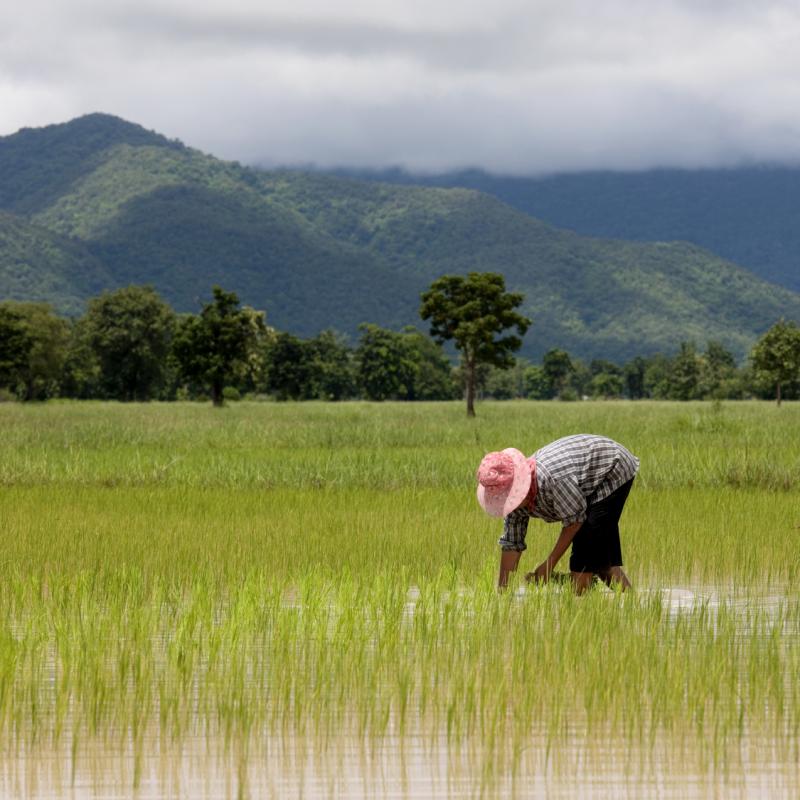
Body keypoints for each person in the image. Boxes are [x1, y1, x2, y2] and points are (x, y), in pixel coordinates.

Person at [475, 434, 639, 593]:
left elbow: (574, 521)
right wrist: (503, 592)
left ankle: (577, 583)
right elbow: (512, 542)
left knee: (584, 568)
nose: (509, 503)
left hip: (611, 468)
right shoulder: (514, 505)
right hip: (582, 480)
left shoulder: (553, 479)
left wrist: (548, 566)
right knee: (598, 559)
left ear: (519, 487)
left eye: (509, 498)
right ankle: (633, 605)